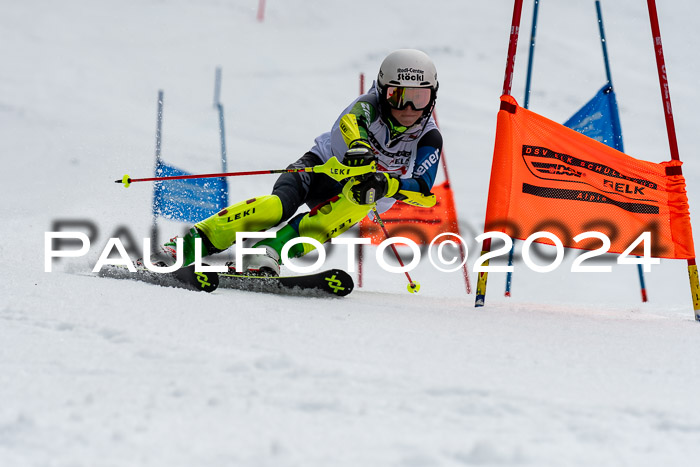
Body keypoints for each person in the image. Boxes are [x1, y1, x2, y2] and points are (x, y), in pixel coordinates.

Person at [149, 48, 443, 276]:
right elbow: (351, 123)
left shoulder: (429, 137)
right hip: (320, 167)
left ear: (432, 98)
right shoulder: (368, 105)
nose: (408, 108)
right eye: (398, 95)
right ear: (382, 91)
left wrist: (388, 183)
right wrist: (359, 146)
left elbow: (425, 195)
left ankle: (267, 253)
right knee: (277, 206)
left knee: (357, 201)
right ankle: (187, 246)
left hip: (356, 195)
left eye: (419, 98)